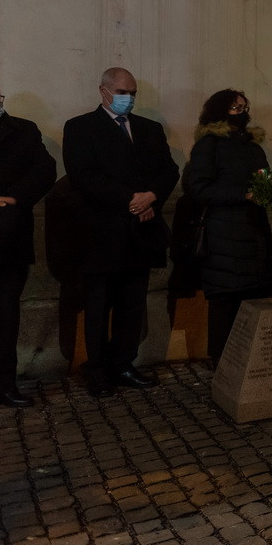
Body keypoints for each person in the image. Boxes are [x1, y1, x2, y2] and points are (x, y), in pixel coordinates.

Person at [62, 67, 180, 397]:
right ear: (104, 91)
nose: (128, 98)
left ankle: (123, 363)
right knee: (99, 304)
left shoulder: (150, 129)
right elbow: (83, 175)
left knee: (132, 302)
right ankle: (97, 369)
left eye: (133, 93)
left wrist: (151, 196)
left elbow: (169, 170)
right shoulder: (80, 127)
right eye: (122, 92)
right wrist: (131, 200)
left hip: (141, 230)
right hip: (102, 231)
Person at [0, 76, 56, 417]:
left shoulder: (23, 130)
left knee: (6, 316)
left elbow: (44, 171)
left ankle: (3, 385)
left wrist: (13, 198)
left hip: (10, 237)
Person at [184, 89, 272, 364]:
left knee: (253, 297)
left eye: (244, 108)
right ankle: (222, 360)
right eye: (235, 108)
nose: (242, 113)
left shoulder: (253, 147)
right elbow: (198, 188)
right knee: (225, 300)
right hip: (222, 235)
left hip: (253, 232)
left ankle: (250, 360)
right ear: (219, 111)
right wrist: (242, 195)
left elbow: (265, 179)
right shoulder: (209, 145)